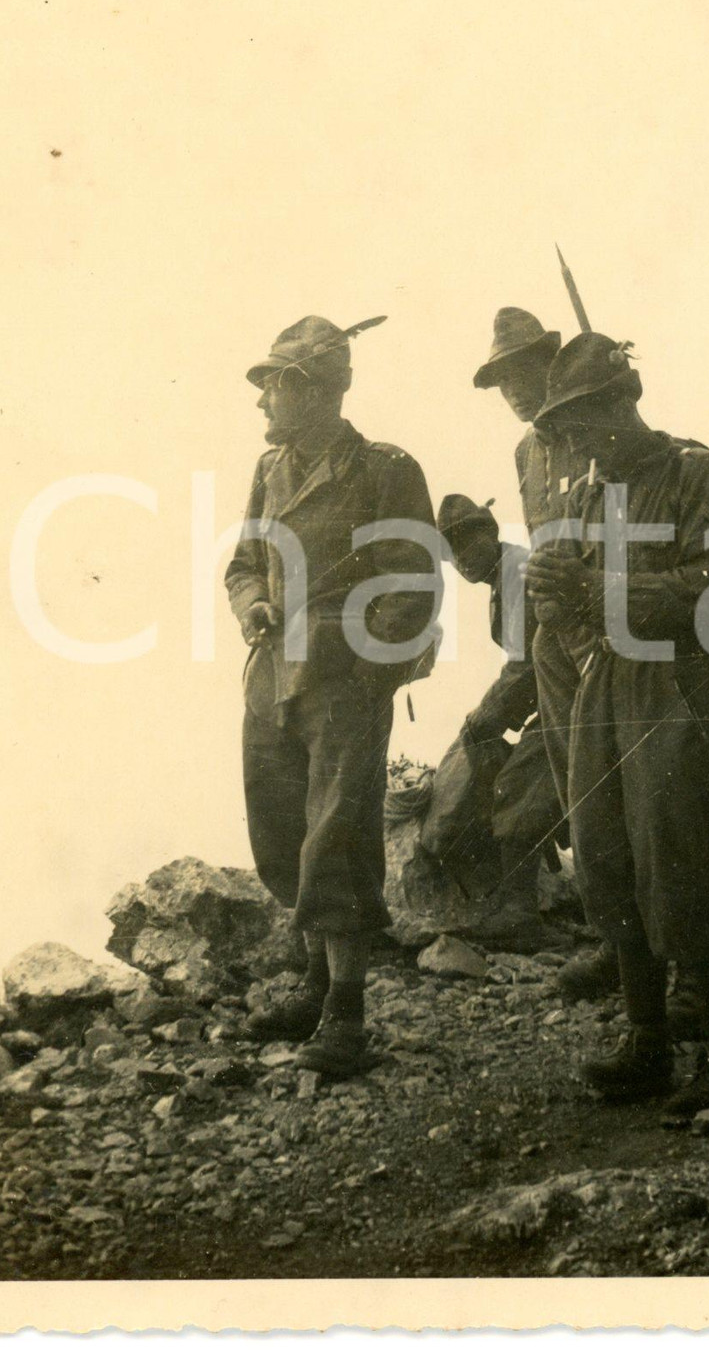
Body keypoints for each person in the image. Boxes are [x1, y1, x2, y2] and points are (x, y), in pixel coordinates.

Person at [525, 332, 709, 1113]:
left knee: (677, 858)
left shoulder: (697, 472)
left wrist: (597, 589)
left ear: (627, 403)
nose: (576, 440)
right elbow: (577, 600)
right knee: (605, 854)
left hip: (681, 684)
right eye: (568, 427)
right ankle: (646, 1043)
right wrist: (558, 594)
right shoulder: (592, 491)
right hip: (608, 680)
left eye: (587, 420)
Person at [225, 316, 439, 1078]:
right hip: (272, 682)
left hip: (342, 683)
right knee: (282, 831)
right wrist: (252, 602)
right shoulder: (271, 469)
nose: (261, 406)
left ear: (312, 391)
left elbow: (412, 578)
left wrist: (367, 668)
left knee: (338, 838)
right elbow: (245, 561)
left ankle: (345, 1018)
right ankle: (316, 985)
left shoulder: (383, 468)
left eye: (272, 388)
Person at [473, 309, 620, 999]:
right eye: (500, 380)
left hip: (619, 628)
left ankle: (652, 949)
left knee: (636, 787)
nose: (512, 391)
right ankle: (613, 937)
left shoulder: (597, 430)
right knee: (575, 786)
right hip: (558, 634)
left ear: (550, 363)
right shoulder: (526, 454)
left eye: (521, 371)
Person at [434, 493, 563, 922]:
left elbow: (525, 666)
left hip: (573, 700)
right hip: (557, 697)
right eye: (450, 551)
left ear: (490, 532)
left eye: (466, 543)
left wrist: (483, 718)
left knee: (517, 786)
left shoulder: (516, 573)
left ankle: (518, 914)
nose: (460, 558)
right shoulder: (504, 575)